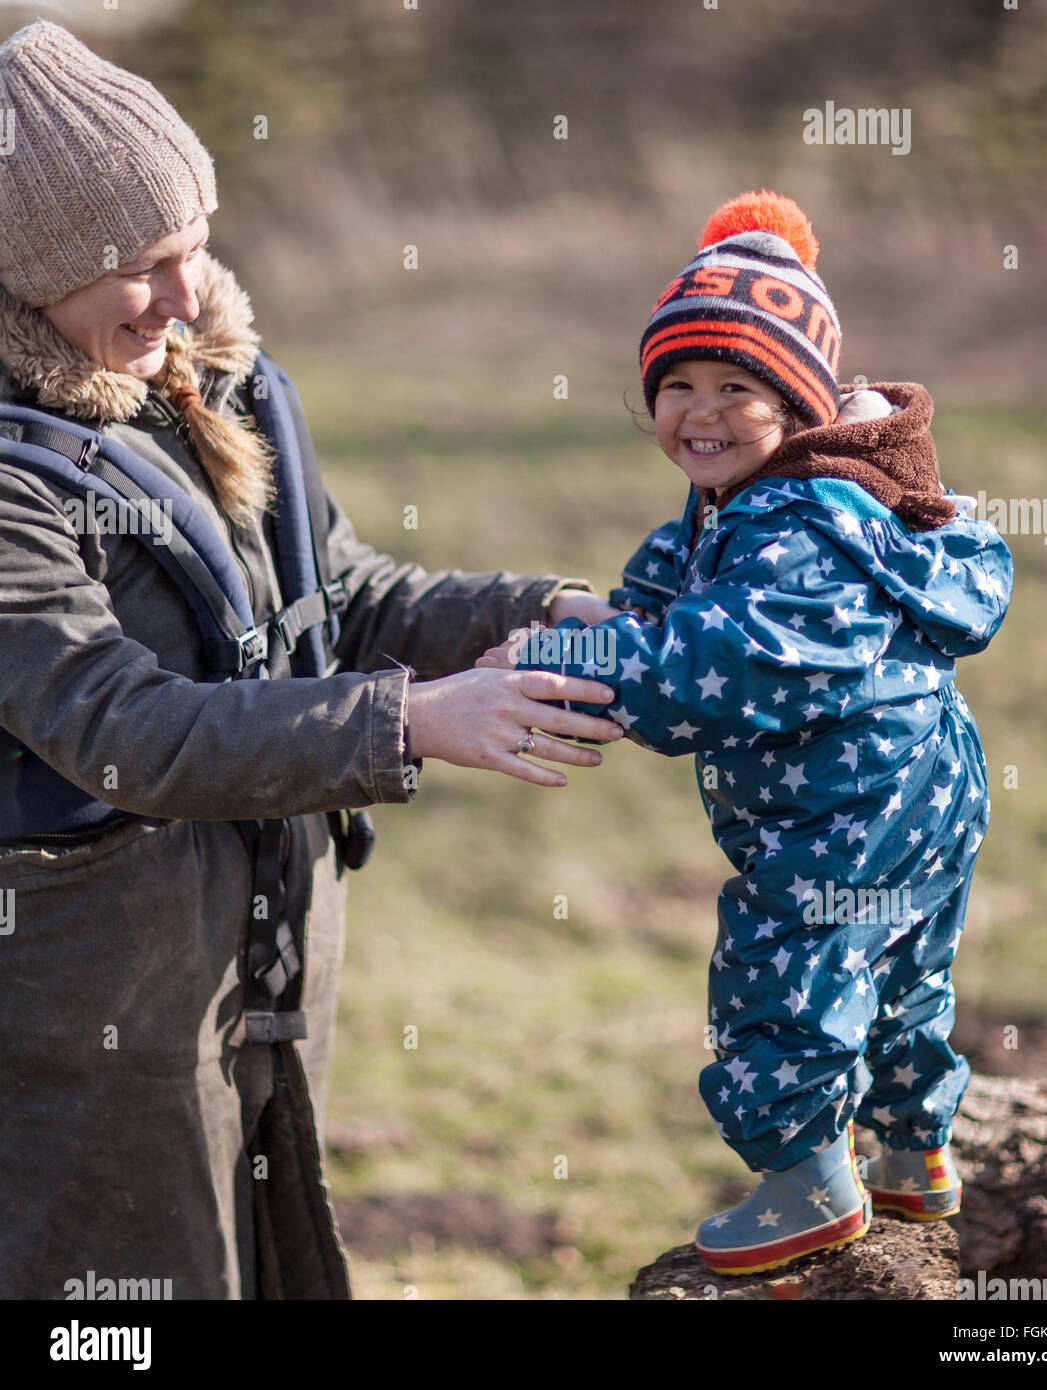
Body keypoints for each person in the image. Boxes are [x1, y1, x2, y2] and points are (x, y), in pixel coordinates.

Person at [0, 20, 625, 1300]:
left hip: (261, 957)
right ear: (28, 277)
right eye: (140, 268)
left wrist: (548, 606)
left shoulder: (221, 382)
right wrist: (407, 723)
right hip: (88, 1000)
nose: (183, 300)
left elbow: (338, 594)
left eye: (195, 246)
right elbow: (123, 723)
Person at [478, 190, 1013, 1274]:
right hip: (914, 784)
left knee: (785, 973)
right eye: (673, 385)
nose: (696, 411)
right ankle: (913, 1157)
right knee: (902, 969)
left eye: (734, 386)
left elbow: (703, 673)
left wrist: (554, 661)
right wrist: (596, 620)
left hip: (845, 808)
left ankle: (805, 1180)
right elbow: (668, 596)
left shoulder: (800, 522)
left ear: (799, 404)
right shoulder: (756, 501)